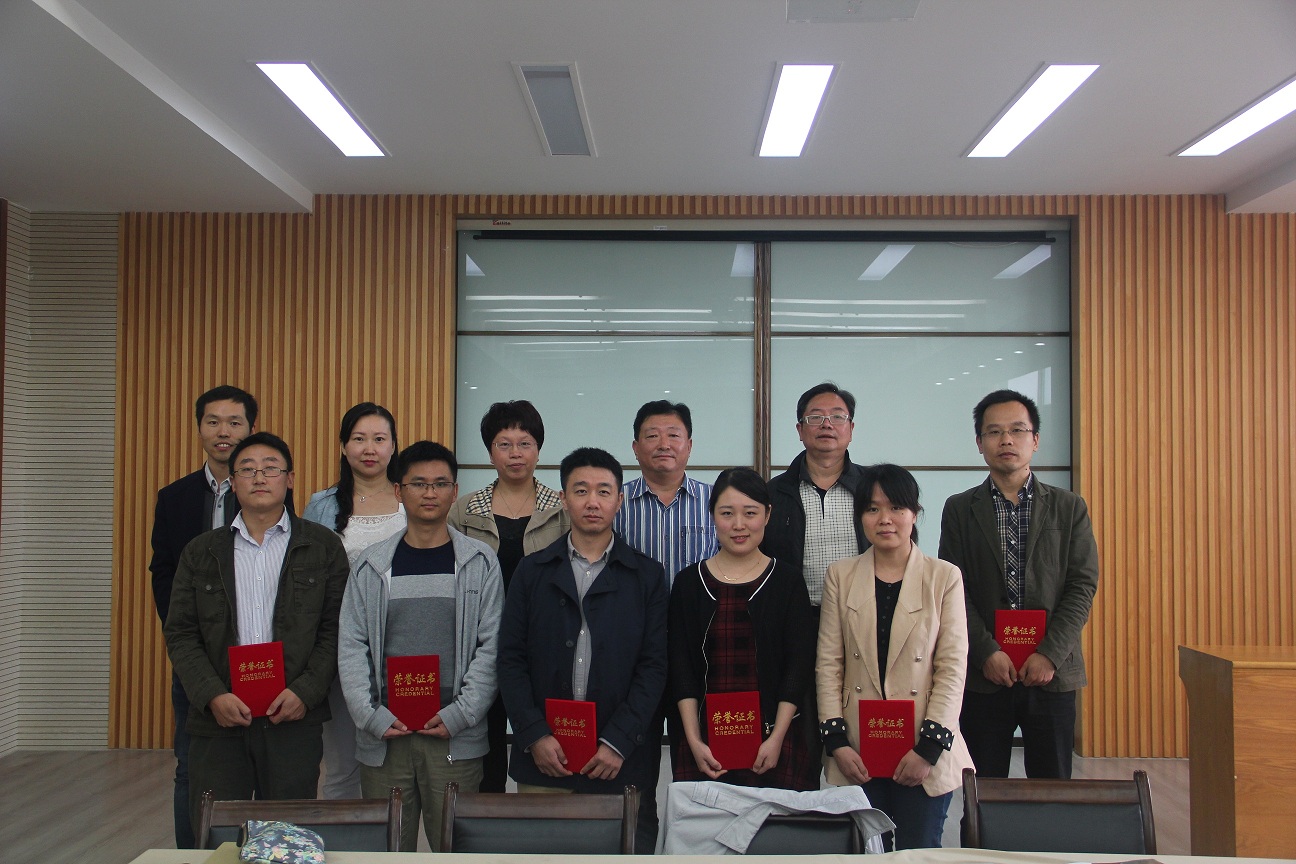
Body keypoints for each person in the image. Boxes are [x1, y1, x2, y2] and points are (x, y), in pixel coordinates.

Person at [164, 432, 348, 840]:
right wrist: (213, 695)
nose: (259, 477)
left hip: (293, 716)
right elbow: (181, 633)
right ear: (233, 482)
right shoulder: (201, 552)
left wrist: (305, 691)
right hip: (220, 719)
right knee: (217, 834)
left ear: (290, 479)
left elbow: (336, 629)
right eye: (247, 470)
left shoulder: (322, 547)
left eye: (270, 468)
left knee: (287, 836)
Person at [498, 447, 667, 854]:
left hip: (619, 760)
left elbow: (654, 666)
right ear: (563, 498)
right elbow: (510, 659)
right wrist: (534, 734)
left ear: (619, 500)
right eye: (581, 490)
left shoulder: (646, 575)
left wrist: (618, 742)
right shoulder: (531, 571)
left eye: (604, 491)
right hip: (545, 758)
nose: (593, 501)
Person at [338, 441, 502, 851]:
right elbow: (352, 645)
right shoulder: (371, 565)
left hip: (454, 735)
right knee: (387, 850)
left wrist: (461, 714)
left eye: (441, 484)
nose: (430, 493)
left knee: (456, 849)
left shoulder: (480, 562)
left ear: (454, 491)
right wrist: (370, 716)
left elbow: (491, 647)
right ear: (399, 490)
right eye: (419, 483)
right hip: (385, 734)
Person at [938, 389, 1099, 779]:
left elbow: (1082, 585)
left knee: (1052, 788)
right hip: (985, 674)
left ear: (1035, 440)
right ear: (980, 443)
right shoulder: (960, 508)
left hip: (1051, 673)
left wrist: (1049, 654)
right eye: (994, 432)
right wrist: (986, 652)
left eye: (1017, 430)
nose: (1006, 440)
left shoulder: (1069, 507)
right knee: (983, 787)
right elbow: (952, 589)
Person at [817, 464, 973, 850]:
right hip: (858, 749)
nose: (884, 519)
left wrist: (929, 749)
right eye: (872, 509)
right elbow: (829, 663)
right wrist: (837, 741)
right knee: (864, 851)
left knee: (919, 850)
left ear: (914, 513)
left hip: (923, 746)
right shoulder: (841, 575)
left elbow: (952, 667)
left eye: (896, 507)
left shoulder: (944, 576)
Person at [149, 384, 257, 848]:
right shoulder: (174, 497)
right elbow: (163, 572)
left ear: (251, 429)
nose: (223, 431)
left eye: (234, 422)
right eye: (213, 421)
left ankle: (257, 849)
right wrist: (184, 636)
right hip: (197, 655)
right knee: (191, 763)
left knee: (259, 761)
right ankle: (190, 854)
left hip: (256, 651)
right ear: (199, 428)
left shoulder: (265, 490)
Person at [667, 467, 817, 791]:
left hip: (775, 742)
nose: (739, 525)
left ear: (767, 515)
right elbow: (681, 668)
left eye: (750, 513)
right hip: (704, 743)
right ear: (712, 515)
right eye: (727, 513)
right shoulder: (688, 583)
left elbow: (799, 665)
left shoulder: (787, 581)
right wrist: (694, 740)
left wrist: (776, 738)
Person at [447, 399, 568, 792]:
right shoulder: (464, 511)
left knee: (543, 738)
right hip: (481, 644)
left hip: (544, 643)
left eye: (525, 443)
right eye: (504, 444)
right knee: (485, 743)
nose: (516, 453)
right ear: (489, 452)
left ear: (538, 449)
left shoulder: (562, 510)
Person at [613, 399, 719, 843]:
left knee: (699, 764)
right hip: (633, 654)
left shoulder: (716, 503)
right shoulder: (615, 503)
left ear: (689, 445)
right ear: (635, 447)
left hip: (700, 654)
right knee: (632, 765)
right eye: (652, 435)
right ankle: (637, 847)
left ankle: (694, 847)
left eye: (673, 435)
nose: (663, 444)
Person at [303, 402, 407, 799]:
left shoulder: (411, 497)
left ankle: (392, 836)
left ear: (393, 446)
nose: (369, 449)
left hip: (403, 644)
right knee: (342, 764)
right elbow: (309, 580)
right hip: (342, 645)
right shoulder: (322, 504)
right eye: (359, 439)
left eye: (379, 439)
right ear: (344, 446)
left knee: (398, 762)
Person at [761, 382, 867, 608]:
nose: (827, 424)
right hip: (796, 614)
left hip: (863, 612)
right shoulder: (773, 493)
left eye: (837, 417)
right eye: (816, 417)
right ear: (800, 430)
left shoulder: (873, 488)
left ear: (851, 429)